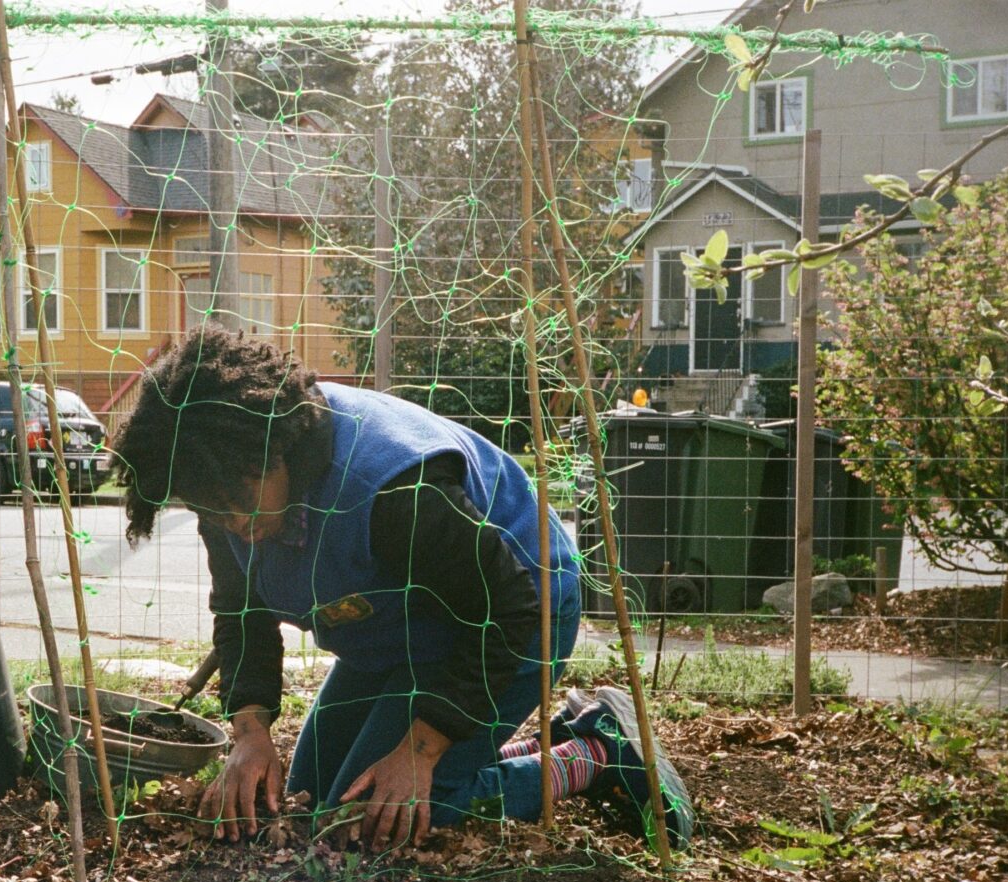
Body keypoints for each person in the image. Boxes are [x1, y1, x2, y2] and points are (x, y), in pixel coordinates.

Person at [110, 328, 692, 851]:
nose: (233, 521)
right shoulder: (222, 488)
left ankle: (595, 752)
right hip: (394, 627)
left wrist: (422, 752)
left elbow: (509, 609)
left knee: (367, 819)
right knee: (312, 798)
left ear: (276, 444)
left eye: (237, 499)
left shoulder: (393, 489)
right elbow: (241, 612)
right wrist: (251, 732)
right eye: (209, 507)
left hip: (515, 610)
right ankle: (488, 753)